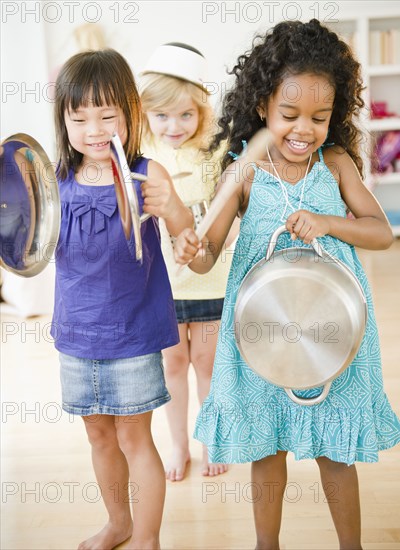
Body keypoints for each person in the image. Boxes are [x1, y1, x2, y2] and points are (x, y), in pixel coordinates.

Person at [174, 20, 400, 549]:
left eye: (319, 118)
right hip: (263, 337)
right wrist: (195, 250)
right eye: (289, 115)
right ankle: (266, 544)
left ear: (335, 115)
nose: (304, 129)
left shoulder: (336, 163)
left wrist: (328, 222)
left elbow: (381, 233)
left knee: (335, 452)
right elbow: (208, 254)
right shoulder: (245, 173)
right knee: (266, 447)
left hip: (331, 335)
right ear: (261, 107)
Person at [52, 49, 193, 550]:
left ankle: (147, 538)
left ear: (130, 115)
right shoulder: (55, 182)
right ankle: (119, 523)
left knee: (135, 439)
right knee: (99, 436)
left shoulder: (145, 174)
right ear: (63, 120)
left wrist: (175, 214)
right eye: (80, 117)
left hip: (132, 333)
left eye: (107, 116)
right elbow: (25, 239)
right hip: (76, 335)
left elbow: (185, 235)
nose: (94, 129)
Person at [139, 43, 235, 481]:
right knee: (173, 365)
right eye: (162, 116)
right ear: (147, 114)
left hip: (213, 282)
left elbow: (228, 214)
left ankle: (210, 438)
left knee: (208, 365)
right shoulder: (144, 159)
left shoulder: (216, 155)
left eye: (185, 115)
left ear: (201, 111)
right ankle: (178, 445)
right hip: (164, 287)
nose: (173, 126)